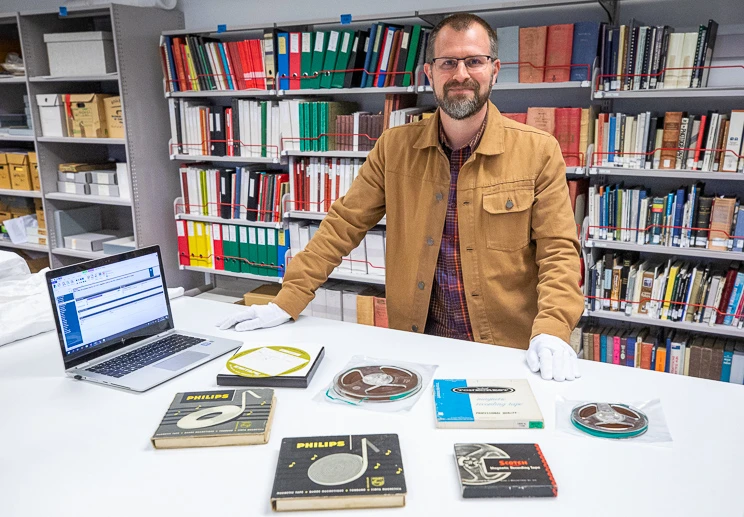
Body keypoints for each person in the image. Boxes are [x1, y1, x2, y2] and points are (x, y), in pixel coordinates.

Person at [218, 13, 585, 382]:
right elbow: (343, 224)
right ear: (430, 72)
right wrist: (288, 298)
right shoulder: (394, 147)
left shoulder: (538, 151)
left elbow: (558, 251)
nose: (460, 75)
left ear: (494, 70)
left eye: (474, 61)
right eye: (448, 63)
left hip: (505, 352)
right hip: (415, 347)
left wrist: (553, 329)